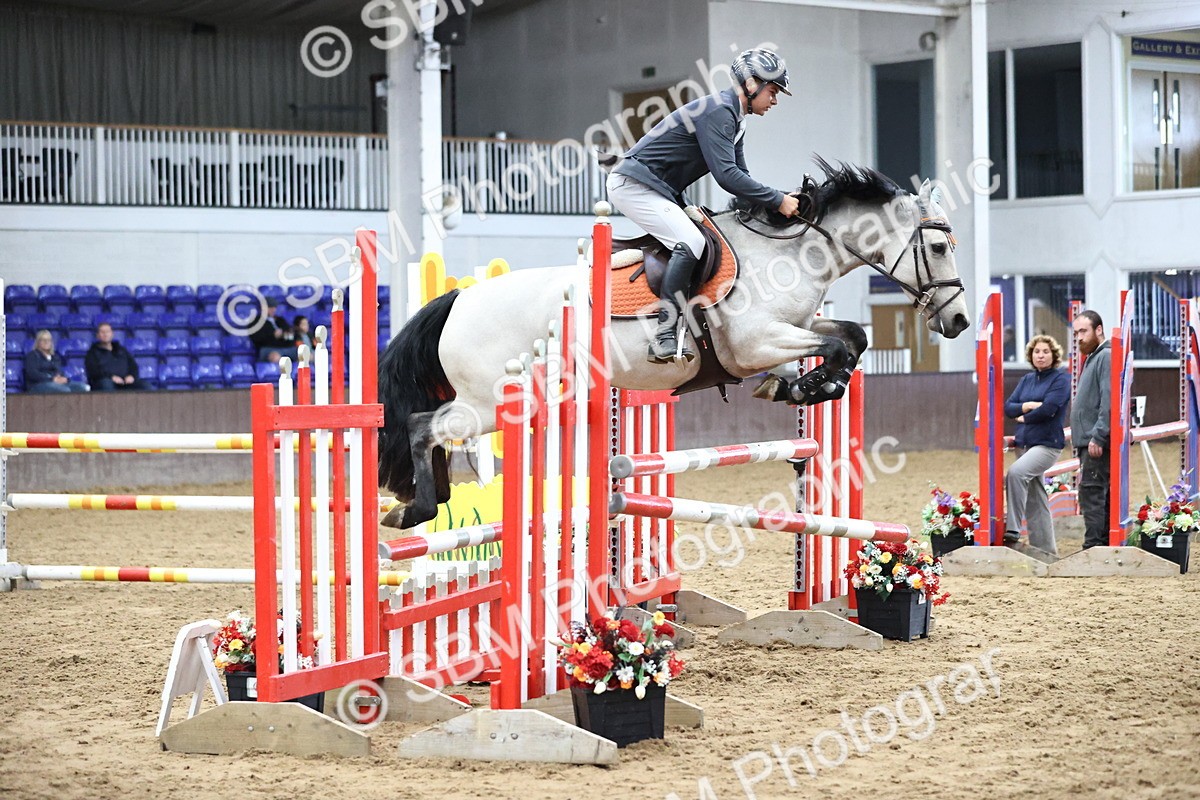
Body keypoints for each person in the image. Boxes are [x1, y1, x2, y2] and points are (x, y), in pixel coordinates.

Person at [606, 47, 800, 364]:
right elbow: (727, 177)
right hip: (634, 185)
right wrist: (778, 200)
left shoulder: (736, 118)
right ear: (752, 85)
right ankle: (664, 335)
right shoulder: (720, 112)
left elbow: (742, 177)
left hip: (660, 189)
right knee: (691, 241)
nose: (775, 100)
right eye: (773, 91)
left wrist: (778, 201)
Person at [1002, 335, 1070, 554]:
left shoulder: (1060, 379)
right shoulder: (1027, 379)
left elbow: (1049, 409)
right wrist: (1028, 406)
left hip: (1047, 444)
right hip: (1024, 443)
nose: (1041, 355)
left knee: (1016, 473)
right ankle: (1046, 550)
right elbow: (1009, 407)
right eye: (1037, 352)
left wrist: (1025, 416)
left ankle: (1012, 529)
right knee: (1035, 495)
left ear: (1054, 355)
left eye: (1045, 351)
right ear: (1031, 355)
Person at [1070, 310, 1111, 549]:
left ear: (1098, 330)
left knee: (1092, 492)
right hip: (1088, 439)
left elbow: (1108, 399)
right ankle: (1098, 543)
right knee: (1093, 492)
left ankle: (1093, 546)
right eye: (1076, 333)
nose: (1079, 338)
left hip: (1094, 440)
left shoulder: (1105, 356)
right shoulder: (1095, 356)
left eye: (1083, 331)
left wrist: (1098, 434)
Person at [85, 322, 151, 391]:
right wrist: (111, 377)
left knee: (145, 386)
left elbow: (133, 366)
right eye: (102, 332)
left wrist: (131, 376)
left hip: (125, 383)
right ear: (97, 335)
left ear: (112, 334)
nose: (105, 334)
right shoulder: (92, 353)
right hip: (106, 383)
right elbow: (94, 373)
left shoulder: (122, 350)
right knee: (106, 384)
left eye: (107, 331)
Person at [23, 330, 89, 394]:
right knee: (64, 390)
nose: (46, 342)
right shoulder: (32, 356)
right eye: (43, 340)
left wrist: (59, 377)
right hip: (38, 384)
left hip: (55, 382)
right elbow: (33, 374)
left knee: (83, 388)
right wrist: (51, 379)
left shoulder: (55, 356)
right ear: (38, 342)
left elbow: (59, 370)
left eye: (48, 340)